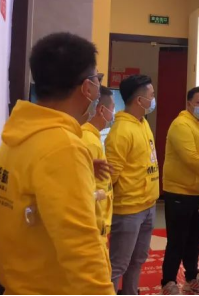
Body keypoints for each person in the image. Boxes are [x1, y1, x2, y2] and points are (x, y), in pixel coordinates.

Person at [0, 32, 115, 295]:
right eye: (97, 79)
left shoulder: (18, 134)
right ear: (86, 87)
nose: (97, 88)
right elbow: (81, 248)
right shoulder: (62, 147)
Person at [160, 87, 199, 295]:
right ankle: (168, 282)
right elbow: (191, 159)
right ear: (189, 104)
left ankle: (192, 278)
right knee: (177, 240)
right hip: (179, 192)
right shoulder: (180, 125)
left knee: (195, 239)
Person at [106, 75, 160, 295]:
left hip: (148, 205)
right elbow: (110, 177)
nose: (154, 99)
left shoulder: (142, 123)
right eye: (152, 95)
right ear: (139, 100)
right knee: (118, 264)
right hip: (128, 210)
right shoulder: (121, 131)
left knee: (138, 259)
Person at [81, 86, 117, 273]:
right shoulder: (88, 140)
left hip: (100, 224)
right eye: (112, 108)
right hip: (94, 227)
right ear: (102, 110)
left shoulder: (93, 137)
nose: (114, 113)